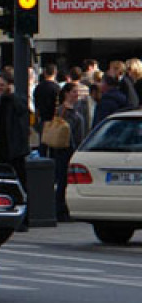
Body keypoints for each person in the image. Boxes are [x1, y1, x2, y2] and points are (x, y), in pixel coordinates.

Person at [0, 71, 31, 190]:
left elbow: (22, 110)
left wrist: (11, 94)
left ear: (10, 85)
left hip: (15, 151)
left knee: (20, 182)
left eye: (2, 85)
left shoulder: (18, 99)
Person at [48, 83, 87, 222]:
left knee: (64, 180)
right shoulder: (64, 111)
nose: (76, 94)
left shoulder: (73, 109)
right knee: (63, 180)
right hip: (65, 149)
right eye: (74, 92)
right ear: (66, 93)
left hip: (67, 148)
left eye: (77, 92)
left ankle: (62, 208)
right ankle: (60, 209)